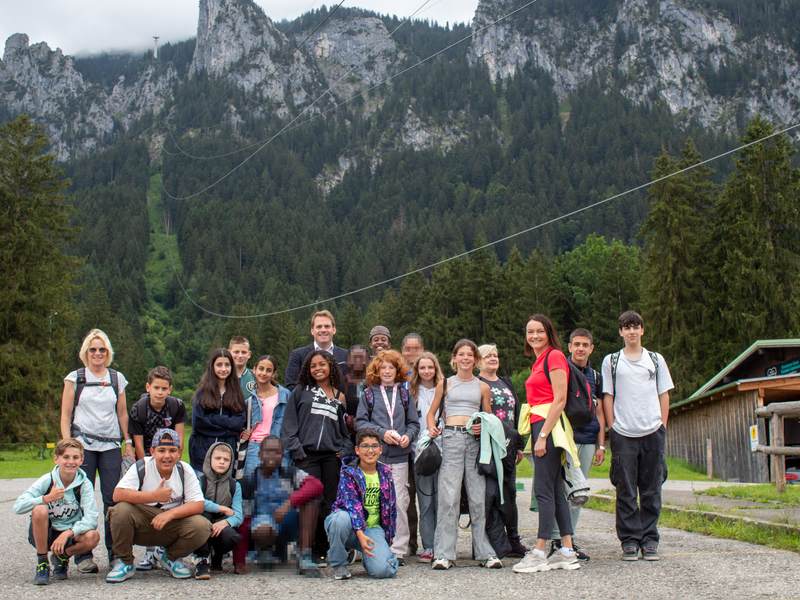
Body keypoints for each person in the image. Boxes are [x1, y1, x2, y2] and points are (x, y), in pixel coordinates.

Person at [60, 328, 134, 573]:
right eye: (93, 349)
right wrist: (69, 446)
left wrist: (128, 442)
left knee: (113, 500)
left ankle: (116, 554)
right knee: (82, 498)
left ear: (108, 352)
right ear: (85, 352)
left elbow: (122, 413)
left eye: (102, 349)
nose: (98, 353)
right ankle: (83, 555)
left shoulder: (116, 378)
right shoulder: (75, 378)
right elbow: (65, 414)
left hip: (111, 445)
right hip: (83, 446)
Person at [602, 311, 673, 561]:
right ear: (620, 332)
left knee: (652, 490)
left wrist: (662, 425)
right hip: (623, 433)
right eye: (626, 327)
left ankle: (650, 540)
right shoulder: (611, 361)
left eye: (636, 327)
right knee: (626, 490)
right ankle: (630, 541)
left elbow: (664, 393)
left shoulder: (656, 360)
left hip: (653, 432)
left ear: (642, 330)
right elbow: (607, 396)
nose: (631, 331)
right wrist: (613, 427)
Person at [512, 314, 580, 574]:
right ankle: (566, 550)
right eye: (530, 332)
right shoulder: (539, 360)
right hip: (542, 424)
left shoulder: (554, 357)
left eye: (539, 331)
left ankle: (539, 552)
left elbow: (560, 399)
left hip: (549, 426)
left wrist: (542, 436)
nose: (534, 336)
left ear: (548, 332)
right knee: (553, 489)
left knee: (542, 489)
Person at [426, 339, 500, 570]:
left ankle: (484, 552)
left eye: (470, 354)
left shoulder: (482, 387)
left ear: (475, 359)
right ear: (454, 358)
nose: (466, 358)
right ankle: (443, 554)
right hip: (450, 440)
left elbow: (490, 418)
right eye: (462, 354)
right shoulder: (445, 384)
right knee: (449, 497)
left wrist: (483, 426)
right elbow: (431, 414)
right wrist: (431, 428)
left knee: (478, 498)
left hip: (475, 443)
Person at [106, 429, 211, 583]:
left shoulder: (184, 469)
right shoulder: (141, 466)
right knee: (120, 510)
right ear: (152, 452)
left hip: (169, 525)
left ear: (179, 452)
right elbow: (118, 494)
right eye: (161, 450)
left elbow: (198, 505)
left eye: (172, 451)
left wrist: (169, 514)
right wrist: (154, 496)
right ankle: (125, 562)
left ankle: (169, 557)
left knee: (203, 526)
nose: (167, 456)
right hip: (142, 525)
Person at [281, 350, 355, 566]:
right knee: (312, 501)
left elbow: (344, 433)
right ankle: (308, 550)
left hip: (331, 458)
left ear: (331, 366)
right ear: (308, 369)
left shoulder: (338, 396)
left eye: (322, 364)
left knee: (330, 504)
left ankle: (325, 550)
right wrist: (297, 450)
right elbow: (288, 426)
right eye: (313, 365)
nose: (317, 368)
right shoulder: (300, 391)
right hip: (307, 456)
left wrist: (344, 450)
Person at [355, 349, 419, 564]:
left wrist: (408, 437)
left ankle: (398, 549)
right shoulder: (369, 394)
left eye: (391, 367)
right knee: (374, 502)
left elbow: (414, 424)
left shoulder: (404, 394)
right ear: (377, 370)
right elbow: (360, 423)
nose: (387, 371)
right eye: (383, 367)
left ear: (397, 370)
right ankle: (376, 545)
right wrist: (383, 433)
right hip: (376, 458)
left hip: (400, 457)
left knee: (400, 502)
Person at [549, 329, 606, 561]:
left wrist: (601, 445)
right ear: (569, 347)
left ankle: (568, 541)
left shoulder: (597, 376)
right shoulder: (561, 369)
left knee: (578, 492)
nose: (580, 348)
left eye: (585, 345)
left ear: (591, 348)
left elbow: (600, 412)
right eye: (576, 344)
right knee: (559, 491)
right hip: (564, 438)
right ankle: (555, 539)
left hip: (589, 439)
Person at [14, 438, 101, 585]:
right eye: (65, 457)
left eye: (75, 457)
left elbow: (92, 518)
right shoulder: (47, 480)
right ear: (56, 459)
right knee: (40, 509)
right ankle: (43, 563)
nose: (70, 462)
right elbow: (18, 507)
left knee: (93, 536)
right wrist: (46, 498)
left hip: (68, 533)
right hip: (45, 533)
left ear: (81, 460)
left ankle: (61, 557)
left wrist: (68, 533)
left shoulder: (84, 484)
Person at [128, 366, 188, 571]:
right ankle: (148, 552)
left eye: (164, 388)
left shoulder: (176, 406)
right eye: (156, 387)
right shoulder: (139, 409)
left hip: (168, 459)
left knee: (169, 502)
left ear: (170, 389)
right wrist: (145, 468)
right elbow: (138, 444)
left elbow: (178, 439)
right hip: (147, 459)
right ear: (148, 387)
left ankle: (164, 549)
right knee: (149, 502)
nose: (160, 392)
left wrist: (175, 460)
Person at [241, 436, 323, 576]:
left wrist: (289, 502)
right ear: (260, 455)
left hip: (288, 523)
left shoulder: (290, 473)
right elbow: (245, 517)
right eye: (268, 451)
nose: (272, 456)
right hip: (263, 526)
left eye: (277, 452)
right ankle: (265, 551)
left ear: (282, 455)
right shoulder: (250, 480)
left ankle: (304, 556)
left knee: (311, 501)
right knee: (263, 529)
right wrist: (242, 555)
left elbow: (316, 485)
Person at [325, 428, 399, 580]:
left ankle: (368, 558)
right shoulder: (348, 472)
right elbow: (353, 506)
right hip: (350, 528)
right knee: (338, 520)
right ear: (357, 450)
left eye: (374, 446)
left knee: (384, 571)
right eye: (365, 446)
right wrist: (360, 533)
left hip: (372, 529)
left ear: (380, 450)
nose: (370, 450)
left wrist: (387, 539)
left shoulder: (386, 473)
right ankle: (340, 563)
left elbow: (390, 510)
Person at [477, 344, 528, 558]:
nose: (493, 358)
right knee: (490, 495)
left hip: (508, 445)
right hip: (487, 447)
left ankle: (513, 538)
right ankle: (491, 540)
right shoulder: (476, 383)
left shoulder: (506, 382)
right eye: (488, 355)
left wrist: (518, 445)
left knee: (511, 493)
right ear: (478, 360)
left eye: (496, 355)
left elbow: (516, 413)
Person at [408, 351, 443, 564]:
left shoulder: (445, 389)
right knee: (426, 502)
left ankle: (443, 544)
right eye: (422, 368)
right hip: (419, 454)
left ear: (436, 369)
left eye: (430, 367)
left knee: (443, 501)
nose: (427, 371)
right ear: (417, 371)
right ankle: (429, 546)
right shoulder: (411, 393)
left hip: (444, 452)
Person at [189, 348, 247, 473]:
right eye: (219, 365)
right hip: (201, 455)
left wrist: (213, 418)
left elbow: (239, 423)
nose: (223, 369)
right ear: (212, 367)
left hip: (226, 456)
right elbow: (198, 423)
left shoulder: (237, 394)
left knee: (223, 491)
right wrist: (228, 430)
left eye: (227, 365)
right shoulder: (202, 392)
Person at [193, 442, 243, 579]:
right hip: (203, 523)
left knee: (231, 536)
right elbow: (197, 502)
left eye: (226, 460)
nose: (222, 462)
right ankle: (202, 559)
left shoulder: (234, 485)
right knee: (204, 515)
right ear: (209, 459)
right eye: (218, 458)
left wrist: (224, 523)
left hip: (220, 525)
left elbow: (238, 515)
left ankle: (217, 555)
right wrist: (222, 508)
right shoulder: (199, 481)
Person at [241, 355, 291, 477]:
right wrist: (243, 432)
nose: (264, 373)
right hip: (255, 448)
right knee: (253, 491)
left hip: (278, 447)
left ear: (274, 374)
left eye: (268, 370)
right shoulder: (249, 401)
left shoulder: (285, 395)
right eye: (261, 369)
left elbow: (292, 424)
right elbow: (242, 424)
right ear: (254, 370)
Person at [400, 333, 424, 555]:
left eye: (416, 348)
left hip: (423, 445)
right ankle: (409, 543)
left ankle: (430, 544)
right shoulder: (397, 376)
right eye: (408, 348)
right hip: (401, 444)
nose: (412, 353)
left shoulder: (428, 374)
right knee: (405, 498)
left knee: (425, 497)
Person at [285, 311, 348, 391]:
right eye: (319, 327)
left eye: (327, 326)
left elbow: (352, 388)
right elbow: (291, 387)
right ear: (312, 331)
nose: (323, 330)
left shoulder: (347, 355)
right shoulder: (298, 355)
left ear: (334, 330)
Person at [344, 344, 370, 441]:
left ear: (368, 361)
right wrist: (349, 422)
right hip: (346, 436)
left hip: (371, 435)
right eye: (354, 358)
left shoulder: (374, 384)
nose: (358, 361)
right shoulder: (340, 384)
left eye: (362, 358)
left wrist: (360, 425)